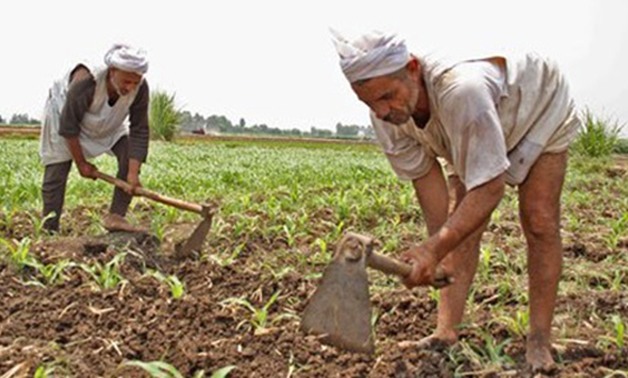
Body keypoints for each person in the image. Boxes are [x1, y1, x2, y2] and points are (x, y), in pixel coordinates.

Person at [331, 30, 580, 373]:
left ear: (413, 68)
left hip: (537, 106)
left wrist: (433, 249)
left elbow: (490, 189)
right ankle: (446, 332)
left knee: (539, 220)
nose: (381, 111)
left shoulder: (461, 91)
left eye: (388, 95)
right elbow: (427, 181)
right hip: (474, 124)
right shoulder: (386, 115)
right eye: (370, 103)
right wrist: (439, 253)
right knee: (459, 223)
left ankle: (539, 339)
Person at [40, 44, 151, 233]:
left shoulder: (140, 89)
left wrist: (132, 175)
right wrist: (81, 163)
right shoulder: (86, 81)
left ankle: (116, 216)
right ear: (112, 71)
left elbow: (139, 130)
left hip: (108, 121)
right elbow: (69, 125)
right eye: (126, 81)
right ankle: (49, 229)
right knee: (56, 170)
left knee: (128, 151)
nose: (131, 87)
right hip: (63, 116)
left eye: (136, 82)